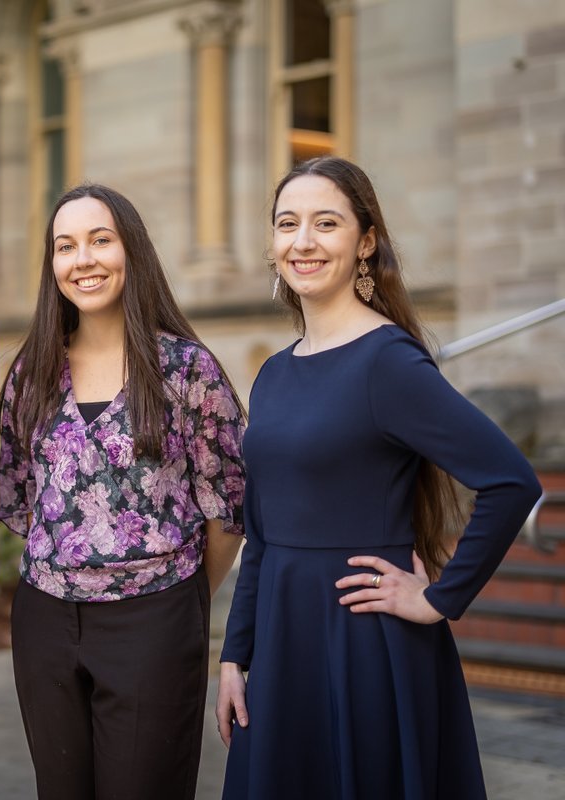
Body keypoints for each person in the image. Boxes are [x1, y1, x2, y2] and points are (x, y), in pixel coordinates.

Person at [215, 156, 543, 798]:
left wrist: (438, 598)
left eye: (326, 223)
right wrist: (234, 655)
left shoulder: (387, 362)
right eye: (288, 224)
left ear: (365, 241)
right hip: (284, 645)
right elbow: (262, 533)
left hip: (361, 643)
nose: (302, 241)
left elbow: (511, 480)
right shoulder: (275, 372)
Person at [0, 183, 246, 800]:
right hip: (45, 623)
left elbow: (229, 508)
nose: (83, 259)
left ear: (131, 251)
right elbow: (21, 498)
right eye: (65, 246)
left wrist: (180, 599)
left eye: (100, 240)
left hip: (154, 621)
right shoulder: (31, 371)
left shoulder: (187, 369)